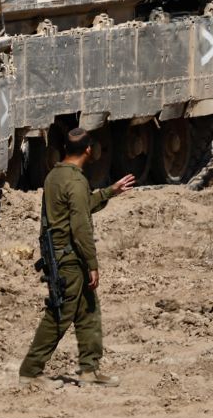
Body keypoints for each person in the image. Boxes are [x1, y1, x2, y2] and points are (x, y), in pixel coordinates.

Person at [18, 127, 135, 387]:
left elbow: (78, 208)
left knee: (88, 311)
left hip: (63, 256)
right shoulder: (76, 181)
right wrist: (92, 264)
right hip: (69, 259)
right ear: (89, 150)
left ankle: (89, 369)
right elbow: (80, 226)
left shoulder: (55, 176)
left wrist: (109, 192)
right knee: (60, 315)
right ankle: (30, 371)